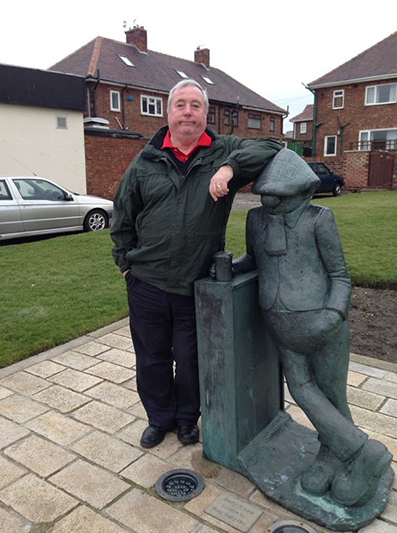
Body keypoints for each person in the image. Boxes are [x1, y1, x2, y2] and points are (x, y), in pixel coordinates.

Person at [110, 79, 282, 449]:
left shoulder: (223, 150)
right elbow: (123, 217)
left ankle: (188, 419)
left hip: (195, 284)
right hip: (147, 282)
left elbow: (272, 145)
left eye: (196, 105)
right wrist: (126, 265)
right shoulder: (145, 160)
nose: (188, 111)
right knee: (152, 358)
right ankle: (159, 418)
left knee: (191, 359)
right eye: (180, 105)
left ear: (205, 113)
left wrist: (230, 168)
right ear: (170, 113)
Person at [231, 148, 392, 507]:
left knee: (331, 395)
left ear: (303, 192)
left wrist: (333, 315)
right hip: (280, 323)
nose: (272, 203)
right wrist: (230, 266)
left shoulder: (319, 219)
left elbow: (339, 275)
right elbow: (253, 259)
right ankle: (353, 452)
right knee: (302, 390)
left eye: (281, 197)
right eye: (267, 197)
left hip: (321, 323)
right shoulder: (256, 220)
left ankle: (346, 455)